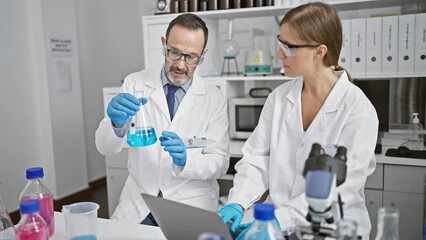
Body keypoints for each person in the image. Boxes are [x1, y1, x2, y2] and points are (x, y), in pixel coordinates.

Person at [218, 2, 378, 239]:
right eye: (280, 43)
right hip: (275, 223)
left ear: (319, 51)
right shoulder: (279, 98)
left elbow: (339, 190)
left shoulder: (357, 109)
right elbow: (256, 158)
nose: (279, 53)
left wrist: (280, 221)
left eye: (289, 47)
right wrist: (238, 201)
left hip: (332, 230)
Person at [96, 13, 230, 225]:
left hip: (191, 204)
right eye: (174, 53)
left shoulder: (214, 98)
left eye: (191, 57)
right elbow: (106, 148)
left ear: (202, 56)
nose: (181, 65)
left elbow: (220, 163)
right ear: (163, 44)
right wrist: (115, 124)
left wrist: (187, 159)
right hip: (140, 202)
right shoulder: (135, 83)